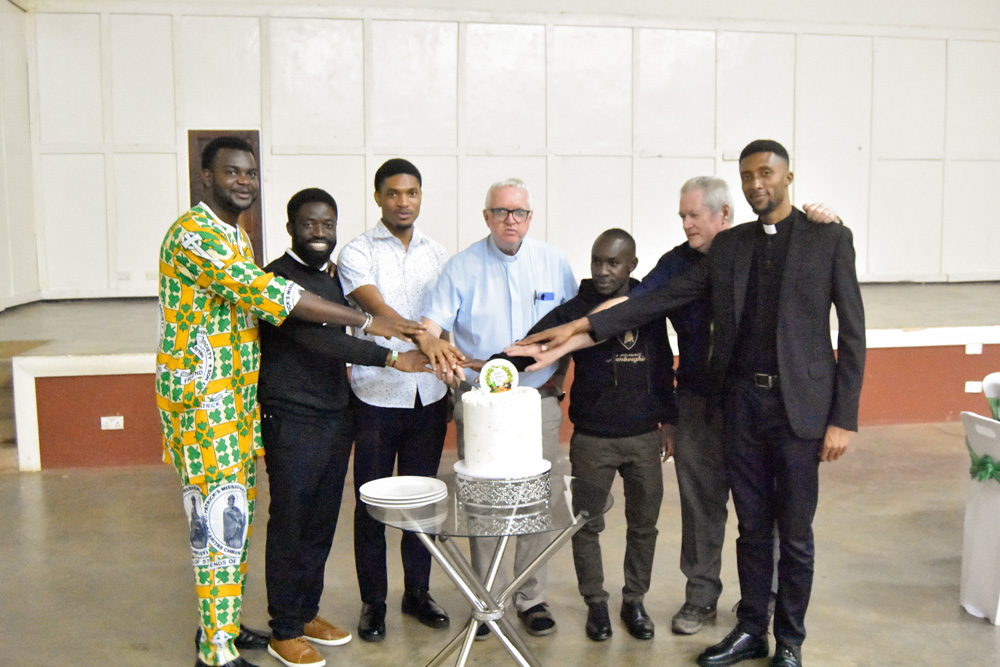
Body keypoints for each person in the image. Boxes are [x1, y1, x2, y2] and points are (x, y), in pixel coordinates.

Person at [513, 140, 865, 667]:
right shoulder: (731, 246)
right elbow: (651, 300)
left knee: (792, 533)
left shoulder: (829, 238)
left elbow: (854, 333)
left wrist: (843, 417)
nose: (756, 184)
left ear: (789, 178)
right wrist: (572, 331)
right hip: (742, 408)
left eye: (766, 174)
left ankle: (789, 641)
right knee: (749, 525)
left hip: (800, 413)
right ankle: (752, 631)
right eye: (747, 175)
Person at [156, 137, 422, 667]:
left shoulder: (231, 236)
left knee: (234, 522)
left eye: (250, 172)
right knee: (219, 525)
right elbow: (275, 300)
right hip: (204, 405)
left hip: (232, 407)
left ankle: (226, 630)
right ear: (204, 177)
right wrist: (374, 325)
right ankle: (216, 654)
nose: (243, 181)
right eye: (231, 172)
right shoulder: (194, 236)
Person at [258, 188, 432, 667]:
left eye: (327, 225)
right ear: (291, 227)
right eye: (310, 224)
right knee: (290, 521)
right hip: (291, 418)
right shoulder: (275, 280)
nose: (320, 234)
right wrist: (393, 358)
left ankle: (306, 611)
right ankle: (284, 629)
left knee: (320, 522)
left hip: (335, 416)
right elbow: (322, 343)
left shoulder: (330, 280)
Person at [417, 178, 577, 637]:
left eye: (520, 213)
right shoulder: (461, 267)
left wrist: (559, 375)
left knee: (534, 499)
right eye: (502, 212)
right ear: (486, 216)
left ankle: (530, 597)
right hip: (480, 404)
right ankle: (485, 597)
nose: (511, 221)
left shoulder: (553, 262)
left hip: (539, 401)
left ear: (530, 217)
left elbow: (572, 325)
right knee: (483, 501)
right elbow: (432, 326)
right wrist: (434, 353)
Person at [498, 229, 676, 641]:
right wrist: (493, 366)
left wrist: (671, 421)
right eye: (597, 261)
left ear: (632, 265)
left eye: (613, 263)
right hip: (593, 439)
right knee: (586, 525)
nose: (601, 271)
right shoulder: (576, 308)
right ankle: (595, 603)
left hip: (644, 438)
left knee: (644, 526)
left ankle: (634, 600)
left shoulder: (648, 308)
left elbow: (663, 365)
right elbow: (533, 343)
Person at [338, 158, 459, 643]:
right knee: (372, 503)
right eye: (393, 193)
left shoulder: (438, 253)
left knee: (420, 502)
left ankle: (418, 593)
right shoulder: (357, 252)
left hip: (427, 395)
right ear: (377, 197)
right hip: (374, 395)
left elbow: (445, 315)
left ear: (421, 196)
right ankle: (374, 602)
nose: (402, 202)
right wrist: (424, 340)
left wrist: (443, 350)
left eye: (411, 193)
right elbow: (378, 311)